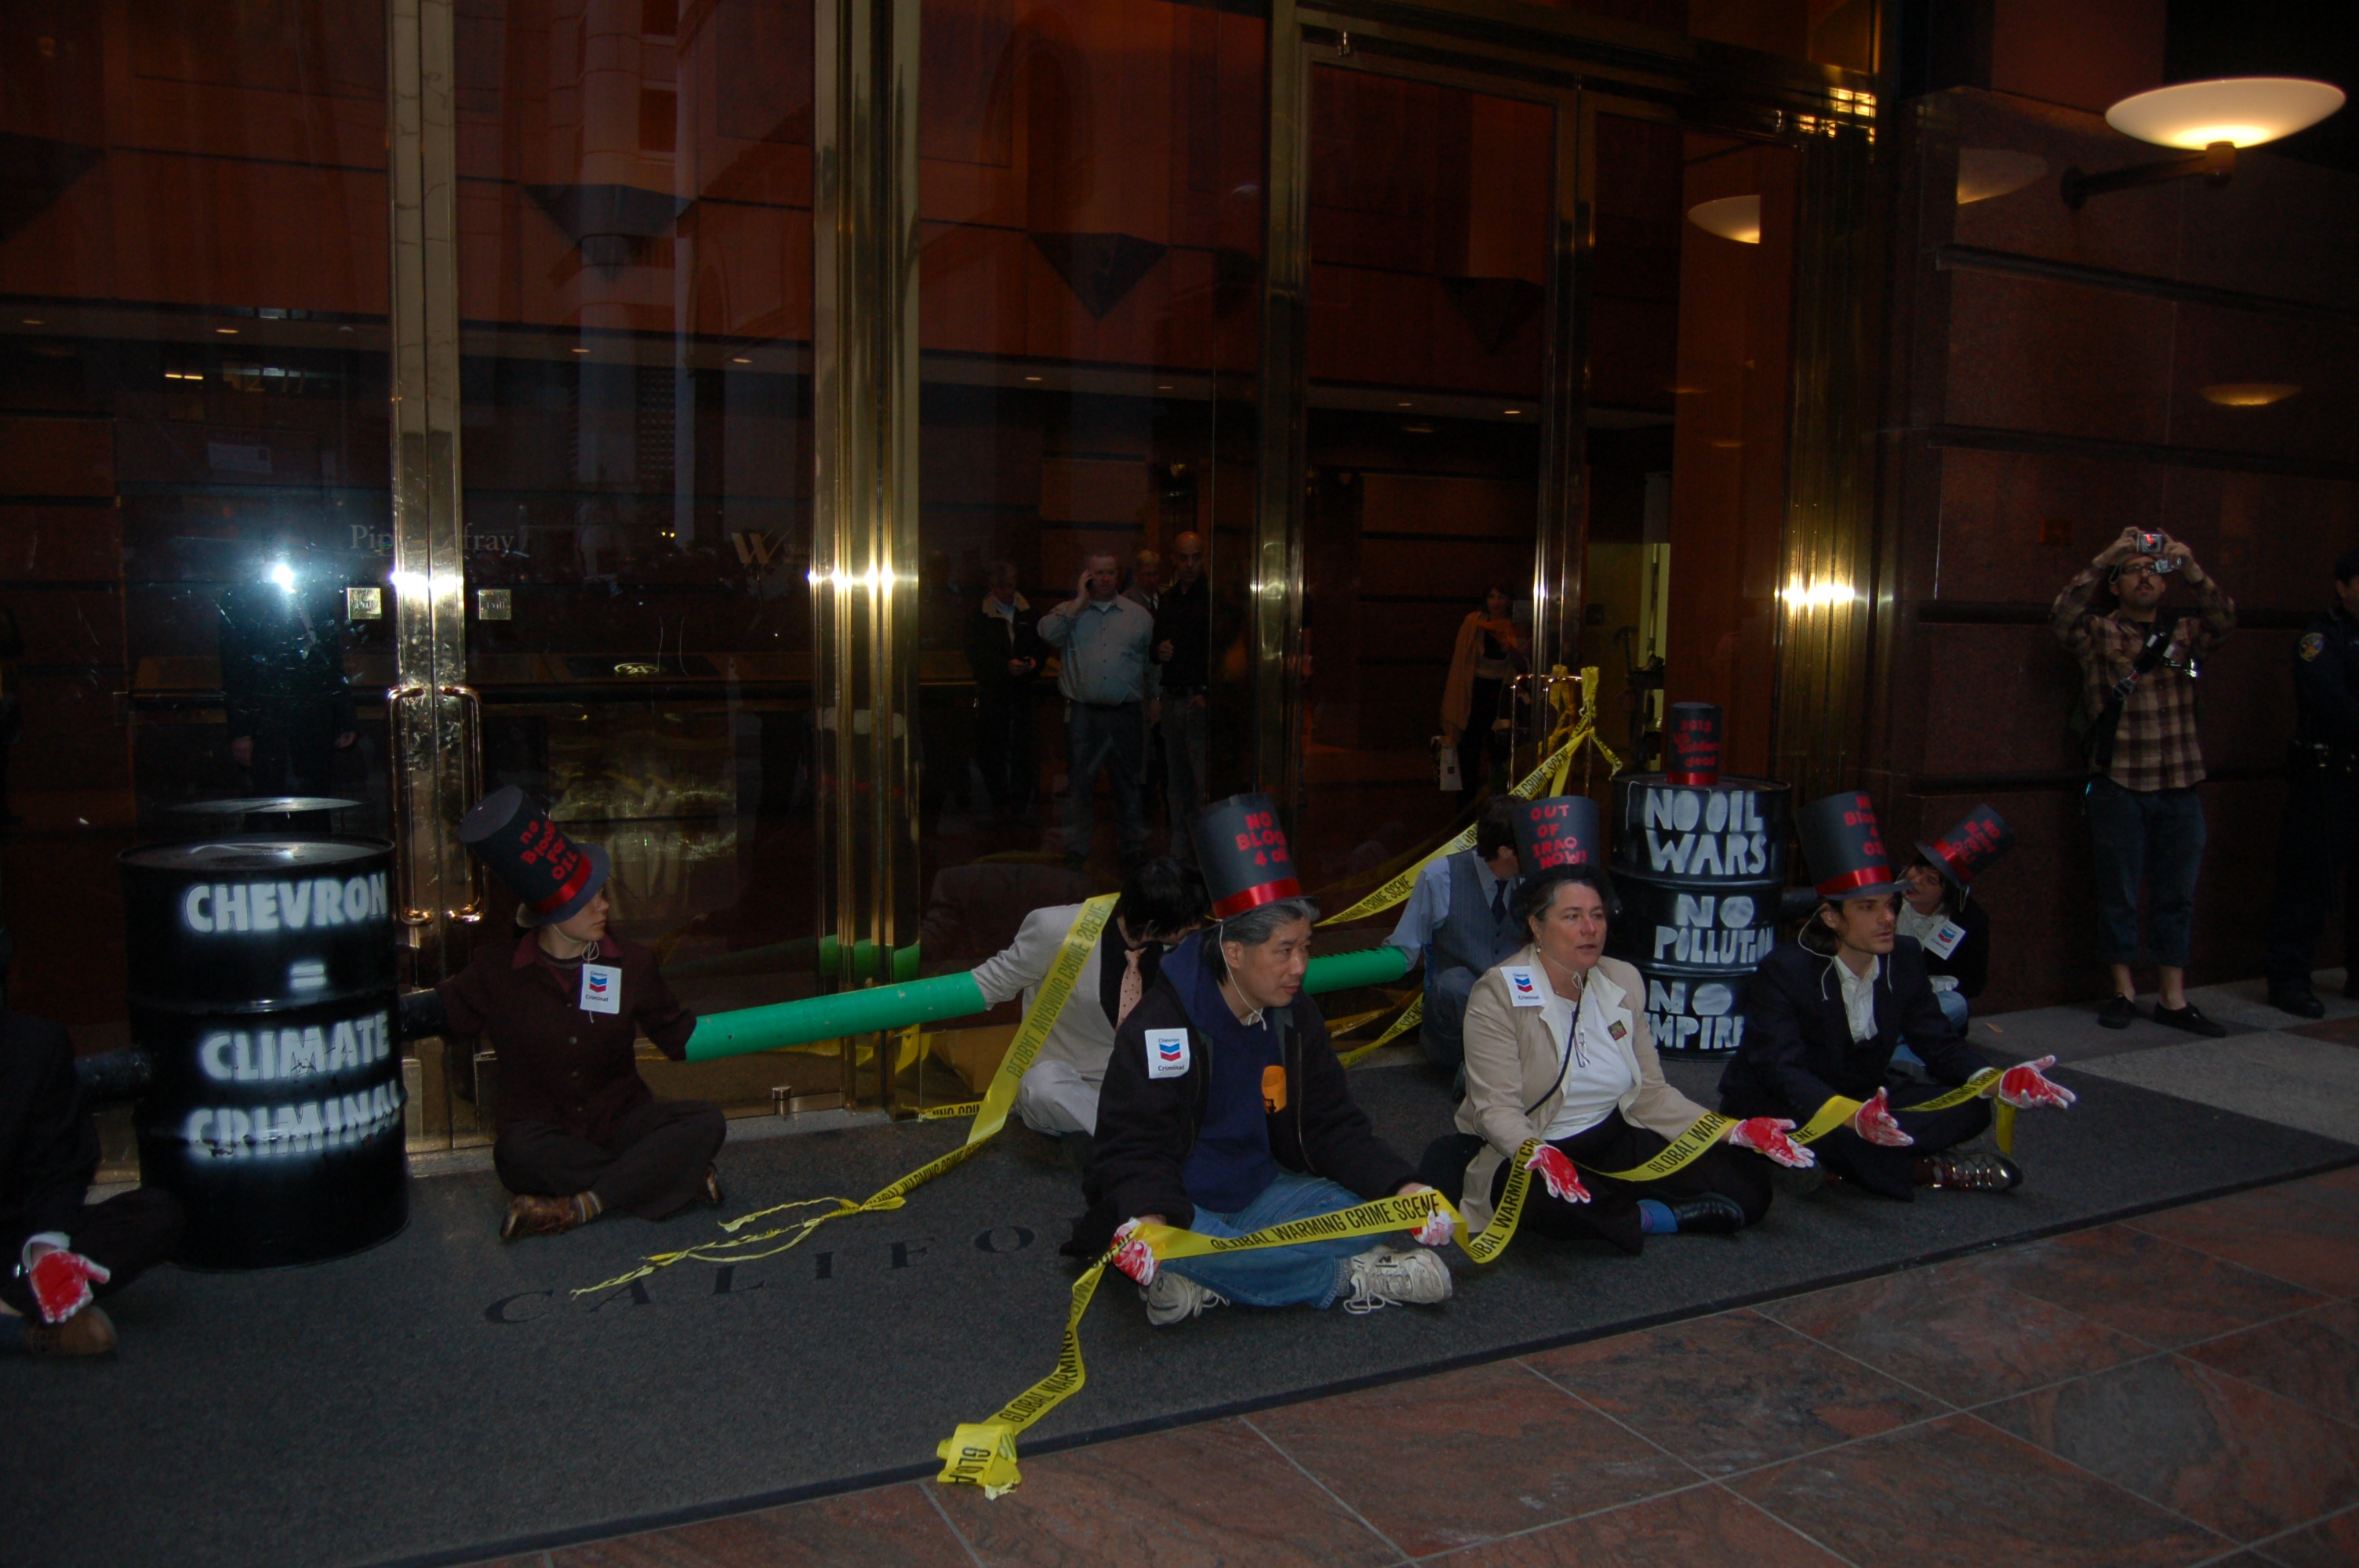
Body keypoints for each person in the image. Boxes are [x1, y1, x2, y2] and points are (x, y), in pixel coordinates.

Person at [1073, 794, 1456, 1323]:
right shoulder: (1159, 1027)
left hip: (1263, 1194)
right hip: (1179, 1206)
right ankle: (1349, 1276)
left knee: (1363, 1213)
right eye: (1284, 950)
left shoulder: (1294, 1017)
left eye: (1305, 947)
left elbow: (1331, 1125)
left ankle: (1215, 1277)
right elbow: (1132, 1148)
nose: (1300, 966)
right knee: (1177, 1241)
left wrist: (1404, 1190)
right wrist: (1151, 1220)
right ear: (1234, 952)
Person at [1432, 797, 1808, 1253]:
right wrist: (1536, 1151)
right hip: (1539, 1142)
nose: (1590, 928)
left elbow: (1652, 1095)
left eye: (1597, 915)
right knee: (1544, 1198)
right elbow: (1496, 1110)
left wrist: (1732, 1130)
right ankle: (1651, 1216)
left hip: (1614, 1130)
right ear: (1536, 925)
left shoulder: (1623, 980)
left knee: (1747, 1182)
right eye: (1572, 917)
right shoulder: (1498, 991)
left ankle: (1626, 1209)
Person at [1720, 792, 2077, 1200]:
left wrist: (1995, 1080)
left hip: (1865, 1094)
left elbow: (1938, 1043)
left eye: (1890, 905)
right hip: (1792, 1101)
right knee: (1835, 1133)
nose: (1888, 918)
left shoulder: (1904, 957)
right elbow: (1781, 1070)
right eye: (1868, 908)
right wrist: (1850, 1117)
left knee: (1972, 1106)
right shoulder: (1786, 968)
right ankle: (1926, 1169)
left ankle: (1835, 1164)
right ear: (1832, 917)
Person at [409, 788, 725, 1240]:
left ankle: (580, 1206)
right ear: (553, 914)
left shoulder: (631, 964)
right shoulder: (496, 972)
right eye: (589, 900)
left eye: (602, 895)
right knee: (515, 1155)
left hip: (622, 1123)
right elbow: (438, 1011)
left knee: (705, 1122)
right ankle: (665, 1176)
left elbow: (676, 1036)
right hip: (545, 1136)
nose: (604, 906)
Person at [2053, 527, 2235, 1034]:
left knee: (2178, 895)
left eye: (2153, 571)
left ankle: (2173, 997)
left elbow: (2225, 620)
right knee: (2120, 893)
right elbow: (2062, 617)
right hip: (2119, 781)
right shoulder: (2098, 633)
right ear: (2116, 586)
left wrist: (2190, 566)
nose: (2145, 578)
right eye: (2132, 571)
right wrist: (2104, 557)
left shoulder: (2186, 632)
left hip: (2180, 781)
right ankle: (2123, 990)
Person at [969, 857, 1207, 1152]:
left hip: (1145, 1082)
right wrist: (914, 1002)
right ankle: (1142, 1138)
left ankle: (1130, 1136)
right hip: (1070, 1082)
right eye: (1189, 918)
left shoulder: (1186, 949)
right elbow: (990, 982)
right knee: (1040, 1087)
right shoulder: (1058, 930)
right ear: (1154, 919)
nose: (1197, 925)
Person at [1, 1011, 184, 1356]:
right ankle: (23, 1330)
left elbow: (62, 1163)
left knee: (154, 1215)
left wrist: (47, 1250)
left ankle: (13, 1309)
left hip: (14, 1241)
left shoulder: (37, 1044)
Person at [2264, 548, 2359, 1018]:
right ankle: (2289, 979)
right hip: (2327, 776)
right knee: (2308, 881)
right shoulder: (2321, 639)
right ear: (2342, 587)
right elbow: (2337, 707)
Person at [1038, 552, 1159, 866]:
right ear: (1087, 576)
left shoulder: (1138, 616)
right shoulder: (1070, 613)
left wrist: (1156, 697)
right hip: (1083, 714)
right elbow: (1046, 634)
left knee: (1128, 783)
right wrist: (1079, 602)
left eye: (1110, 572)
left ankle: (1133, 846)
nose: (1105, 579)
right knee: (1079, 784)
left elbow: (1152, 663)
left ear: (1118, 576)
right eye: (1098, 573)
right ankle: (1075, 847)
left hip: (1126, 714)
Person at [1386, 797, 1525, 1071]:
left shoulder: (1532, 882)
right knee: (1454, 984)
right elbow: (1404, 947)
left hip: (1514, 1012)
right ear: (1506, 851)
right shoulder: (1440, 876)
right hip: (1457, 1023)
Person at [217, 531, 358, 795]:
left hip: (316, 717)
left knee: (316, 796)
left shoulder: (316, 595)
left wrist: (344, 717)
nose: (296, 555)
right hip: (267, 719)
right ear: (268, 553)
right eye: (288, 550)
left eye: (301, 549)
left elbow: (331, 661)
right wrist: (241, 732)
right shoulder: (241, 597)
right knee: (269, 797)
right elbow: (235, 668)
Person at [1896, 805, 2014, 1043]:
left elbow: (1973, 983)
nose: (1916, 880)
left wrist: (1924, 987)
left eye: (1931, 881)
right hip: (1877, 991)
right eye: (1917, 869)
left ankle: (1891, 1038)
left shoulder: (1968, 921)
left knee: (1955, 1005)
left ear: (1946, 892)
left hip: (1927, 1001)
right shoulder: (1884, 895)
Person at [965, 561, 1042, 824]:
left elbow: (1040, 645)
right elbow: (976, 655)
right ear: (992, 587)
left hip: (1023, 691)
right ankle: (998, 801)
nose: (1009, 592)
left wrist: (1033, 663)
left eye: (1011, 585)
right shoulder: (979, 616)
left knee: (1023, 748)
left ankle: (1021, 803)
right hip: (994, 692)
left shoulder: (1028, 612)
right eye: (1003, 587)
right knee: (993, 748)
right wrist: (1003, 667)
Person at [1153, 532, 1212, 852]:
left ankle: (1204, 852)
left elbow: (1228, 653)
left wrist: (1208, 693)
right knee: (1176, 783)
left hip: (1197, 698)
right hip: (1173, 696)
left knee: (1201, 783)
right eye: (1184, 558)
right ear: (1174, 559)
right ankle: (1181, 850)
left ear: (1204, 558)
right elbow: (1156, 645)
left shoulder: (1212, 597)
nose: (1190, 564)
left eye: (1196, 557)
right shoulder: (1169, 599)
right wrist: (1158, 650)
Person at [1440, 586, 1525, 800]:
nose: (1495, 602)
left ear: (1509, 600)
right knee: (1468, 750)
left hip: (1501, 693)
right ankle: (1465, 805)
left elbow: (1524, 665)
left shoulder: (1517, 624)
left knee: (1500, 752)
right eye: (1491, 596)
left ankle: (1499, 803)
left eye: (1501, 596)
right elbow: (1461, 660)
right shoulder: (1474, 622)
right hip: (1473, 691)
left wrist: (1510, 649)